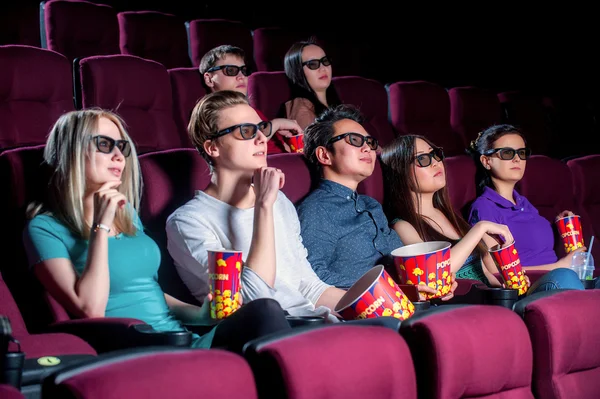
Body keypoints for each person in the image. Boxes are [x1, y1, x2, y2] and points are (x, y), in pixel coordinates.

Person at [23, 109, 291, 354]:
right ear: (72, 151)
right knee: (266, 315)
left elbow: (150, 292)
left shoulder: (125, 214)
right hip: (138, 347)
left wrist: (200, 315)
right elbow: (89, 309)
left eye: (122, 147)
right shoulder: (44, 229)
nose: (118, 156)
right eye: (104, 145)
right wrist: (100, 227)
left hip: (180, 338)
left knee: (264, 313)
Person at [166, 90, 346, 322]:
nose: (262, 138)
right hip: (259, 332)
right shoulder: (187, 222)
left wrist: (371, 306)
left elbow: (307, 285)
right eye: (246, 131)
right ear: (213, 148)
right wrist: (263, 206)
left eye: (260, 128)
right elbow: (255, 300)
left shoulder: (277, 200)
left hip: (310, 322)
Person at [297, 105, 457, 300]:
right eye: (354, 140)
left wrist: (428, 281)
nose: (367, 148)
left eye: (370, 142)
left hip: (405, 304)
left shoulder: (371, 205)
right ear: (324, 155)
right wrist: (390, 292)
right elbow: (312, 276)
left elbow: (400, 265)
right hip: (363, 311)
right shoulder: (316, 209)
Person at [467, 124, 587, 291]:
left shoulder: (524, 203)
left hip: (559, 279)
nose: (517, 159)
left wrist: (559, 225)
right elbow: (496, 272)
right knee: (565, 277)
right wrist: (561, 266)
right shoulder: (484, 208)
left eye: (521, 153)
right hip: (527, 288)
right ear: (486, 161)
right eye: (507, 153)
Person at [380, 134, 506, 287]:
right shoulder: (403, 227)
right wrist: (480, 228)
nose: (436, 163)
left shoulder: (448, 214)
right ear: (401, 172)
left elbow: (484, 273)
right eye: (423, 159)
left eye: (435, 155)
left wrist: (505, 291)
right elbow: (435, 274)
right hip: (459, 303)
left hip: (487, 300)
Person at [200, 44, 302, 154]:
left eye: (244, 70)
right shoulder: (210, 112)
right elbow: (241, 148)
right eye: (230, 70)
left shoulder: (251, 111)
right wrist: (276, 124)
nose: (241, 76)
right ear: (209, 79)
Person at [283, 39, 340, 129]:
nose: (323, 68)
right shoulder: (302, 108)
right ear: (298, 71)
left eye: (325, 61)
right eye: (313, 64)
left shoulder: (335, 102)